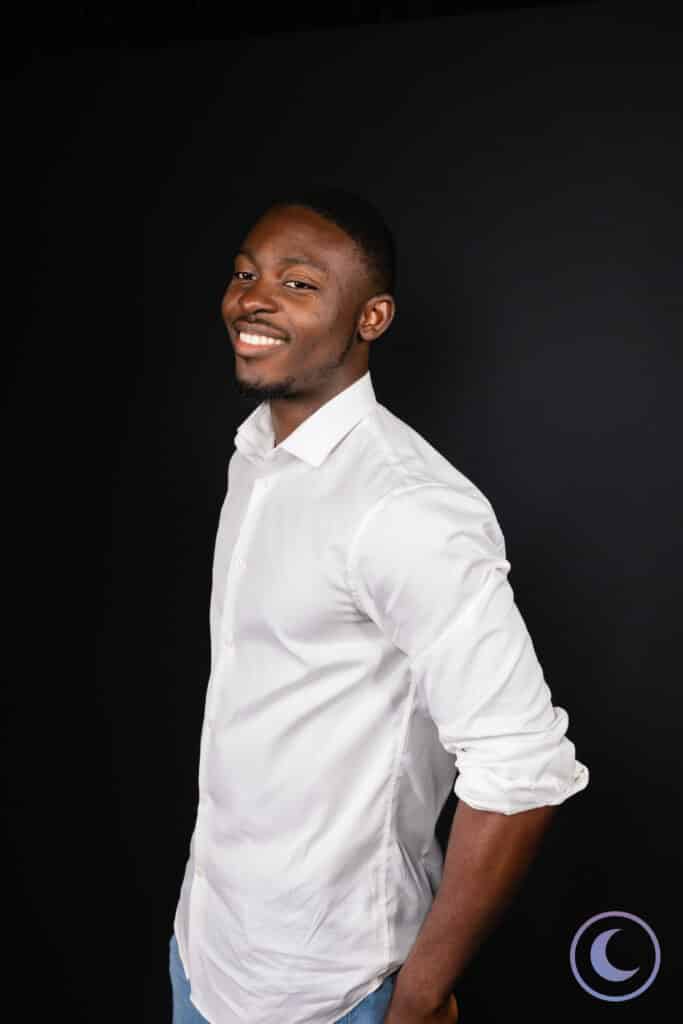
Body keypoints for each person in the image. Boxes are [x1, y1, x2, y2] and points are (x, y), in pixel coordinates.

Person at [169, 185, 590, 1024]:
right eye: (246, 273)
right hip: (207, 948)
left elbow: (523, 770)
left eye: (297, 283)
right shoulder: (254, 455)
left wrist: (419, 998)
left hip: (330, 987)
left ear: (372, 317)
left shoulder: (404, 507)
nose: (253, 298)